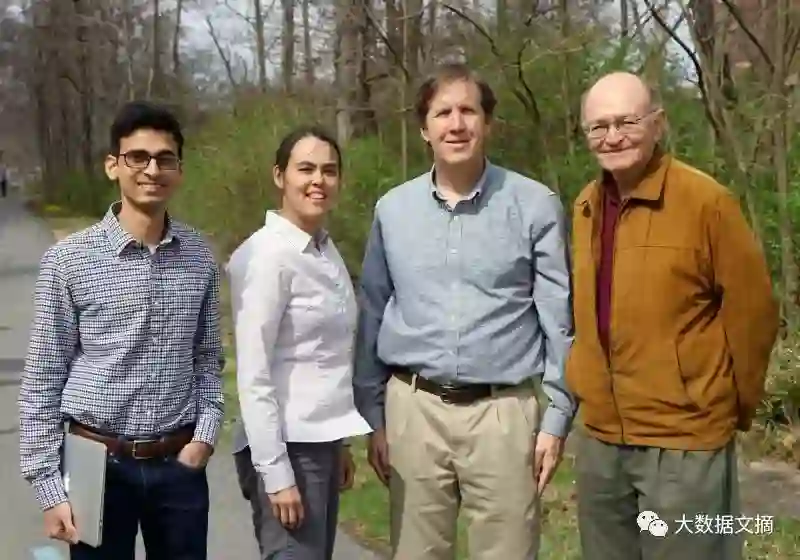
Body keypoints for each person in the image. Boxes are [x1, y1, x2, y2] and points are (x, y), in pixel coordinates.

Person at [353, 62, 576, 559]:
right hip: (413, 410)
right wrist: (374, 418)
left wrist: (557, 418)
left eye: (468, 111)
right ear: (424, 128)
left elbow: (559, 321)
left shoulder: (535, 205)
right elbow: (372, 311)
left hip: (503, 414)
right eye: (442, 113)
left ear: (487, 122)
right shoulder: (393, 210)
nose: (456, 124)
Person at [567, 71, 780, 560]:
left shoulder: (706, 202)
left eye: (627, 122)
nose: (613, 137)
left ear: (657, 124)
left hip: (685, 440)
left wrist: (726, 404)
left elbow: (753, 315)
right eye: (599, 126)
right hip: (601, 439)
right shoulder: (585, 206)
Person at [18, 100, 225, 560]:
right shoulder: (69, 261)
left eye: (165, 159)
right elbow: (43, 379)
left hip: (179, 466)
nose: (152, 169)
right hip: (94, 464)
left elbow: (208, 360)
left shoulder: (199, 257)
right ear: (113, 165)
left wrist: (204, 438)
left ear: (179, 170)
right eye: (138, 157)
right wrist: (49, 487)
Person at [227, 126, 372, 560]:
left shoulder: (323, 249)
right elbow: (253, 373)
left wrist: (338, 442)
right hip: (285, 446)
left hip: (319, 442)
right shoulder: (267, 256)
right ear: (279, 176)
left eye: (329, 170)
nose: (318, 180)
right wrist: (276, 474)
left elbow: (324, 356)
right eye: (305, 169)